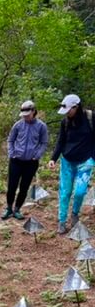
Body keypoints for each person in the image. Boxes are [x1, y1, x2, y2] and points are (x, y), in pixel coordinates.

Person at [49, 94, 95, 234]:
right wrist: (53, 158)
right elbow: (60, 141)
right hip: (67, 161)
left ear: (76, 107)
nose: (67, 113)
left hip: (85, 162)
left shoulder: (90, 118)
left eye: (69, 110)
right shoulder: (65, 122)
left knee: (80, 192)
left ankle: (74, 213)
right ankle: (62, 221)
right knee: (65, 193)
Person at [1, 100, 48, 220]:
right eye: (24, 115)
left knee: (24, 187)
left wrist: (37, 155)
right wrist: (12, 153)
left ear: (33, 112)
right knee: (12, 186)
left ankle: (17, 209)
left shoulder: (41, 126)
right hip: (16, 161)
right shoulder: (18, 125)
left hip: (31, 163)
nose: (25, 117)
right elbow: (10, 140)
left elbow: (44, 143)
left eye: (28, 114)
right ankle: (9, 208)